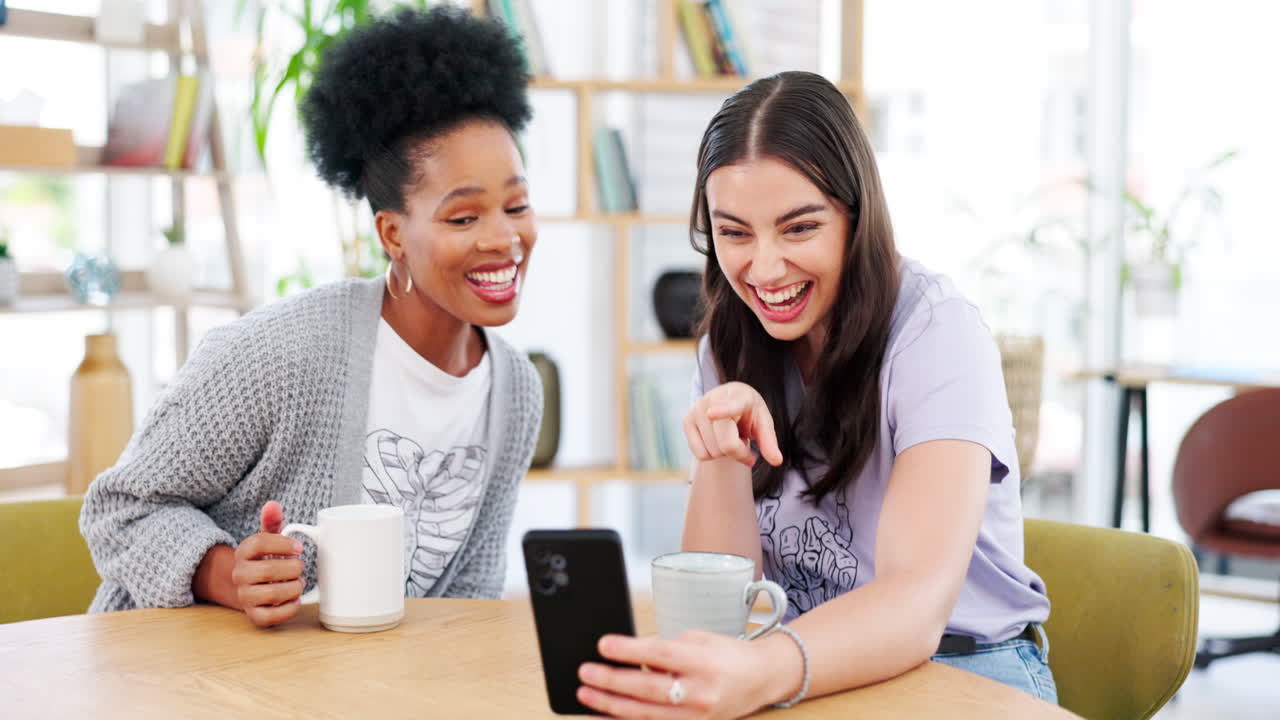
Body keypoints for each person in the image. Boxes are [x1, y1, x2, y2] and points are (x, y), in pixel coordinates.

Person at [576, 71, 1055, 717]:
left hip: (965, 667)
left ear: (855, 217)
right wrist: (722, 455)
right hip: (810, 666)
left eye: (798, 228)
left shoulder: (935, 332)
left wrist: (762, 669)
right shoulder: (730, 344)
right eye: (735, 233)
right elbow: (722, 607)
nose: (764, 268)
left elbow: (916, 605)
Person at [79, 7, 543, 628]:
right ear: (393, 234)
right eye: (464, 218)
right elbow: (117, 508)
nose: (503, 238)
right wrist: (227, 572)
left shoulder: (516, 394)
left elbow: (470, 603)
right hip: (175, 681)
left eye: (517, 206)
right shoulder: (284, 355)